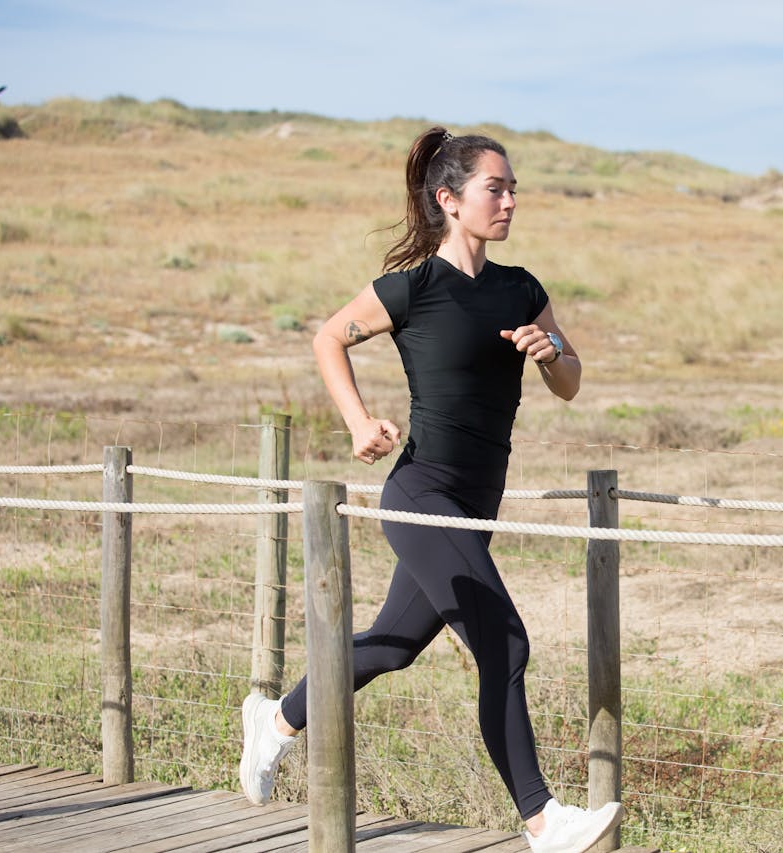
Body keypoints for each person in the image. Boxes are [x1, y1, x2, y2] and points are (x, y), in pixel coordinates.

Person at [238, 126, 622, 853]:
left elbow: (569, 383)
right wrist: (358, 422)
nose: (509, 200)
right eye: (495, 188)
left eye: (513, 189)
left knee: (393, 644)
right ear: (450, 199)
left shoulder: (521, 288)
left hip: (477, 505)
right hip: (420, 493)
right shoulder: (413, 288)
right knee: (504, 642)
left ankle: (277, 718)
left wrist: (553, 354)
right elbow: (329, 336)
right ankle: (545, 822)